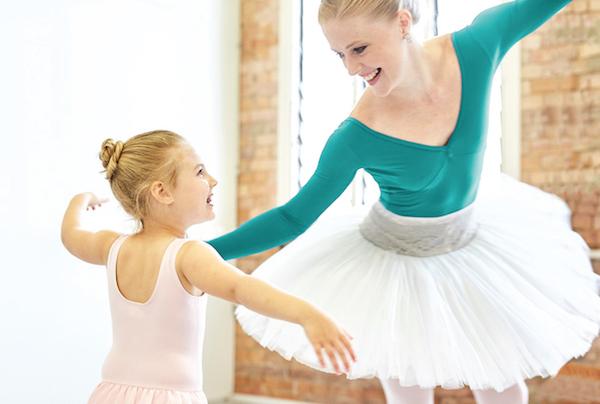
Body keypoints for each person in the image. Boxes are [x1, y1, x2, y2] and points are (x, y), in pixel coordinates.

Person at [207, 0, 600, 403]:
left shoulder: (477, 47)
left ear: (402, 22)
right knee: (409, 389)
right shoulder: (354, 137)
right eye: (339, 55)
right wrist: (200, 252)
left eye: (359, 49)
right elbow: (292, 218)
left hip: (471, 245)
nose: (350, 69)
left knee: (501, 384)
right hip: (393, 263)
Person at [61, 130, 356, 404]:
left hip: (111, 392)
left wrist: (80, 200)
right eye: (200, 172)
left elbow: (71, 235)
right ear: (162, 192)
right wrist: (308, 314)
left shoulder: (112, 247)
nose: (213, 180)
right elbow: (242, 288)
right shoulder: (188, 254)